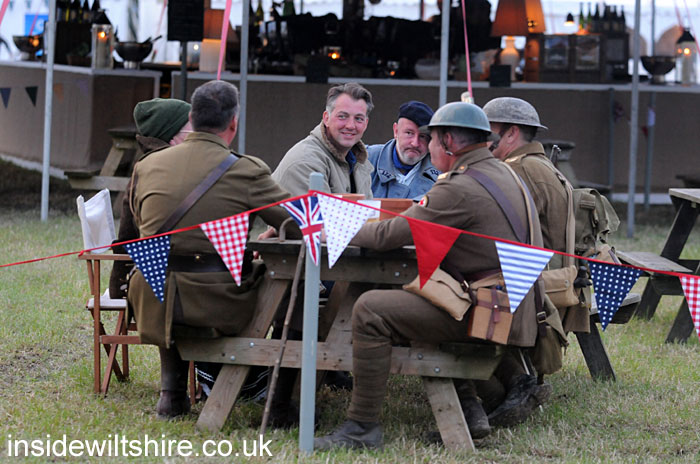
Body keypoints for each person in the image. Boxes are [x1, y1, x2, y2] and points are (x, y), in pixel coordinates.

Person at [315, 102, 545, 449]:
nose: (428, 146)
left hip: (494, 314)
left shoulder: (459, 186)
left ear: (448, 141)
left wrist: (331, 230)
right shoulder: (502, 172)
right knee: (423, 294)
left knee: (371, 309)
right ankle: (478, 404)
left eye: (431, 139)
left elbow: (386, 236)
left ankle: (361, 427)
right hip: (515, 307)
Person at [127, 80, 298, 419]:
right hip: (217, 304)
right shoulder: (247, 170)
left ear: (192, 117)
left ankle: (171, 394)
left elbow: (140, 224)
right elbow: (296, 225)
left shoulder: (147, 166)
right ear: (233, 123)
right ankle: (279, 403)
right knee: (297, 287)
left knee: (165, 267)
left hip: (150, 301)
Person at [478, 96, 571, 428]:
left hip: (533, 284)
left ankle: (498, 387)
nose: (481, 140)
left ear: (511, 133)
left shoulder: (518, 170)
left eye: (487, 132)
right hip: (548, 275)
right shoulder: (538, 165)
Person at [109, 98, 192, 299]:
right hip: (164, 285)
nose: (198, 135)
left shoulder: (144, 169)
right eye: (192, 130)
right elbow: (127, 239)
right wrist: (120, 284)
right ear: (173, 137)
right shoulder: (159, 173)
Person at [272, 82, 374, 197]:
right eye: (342, 116)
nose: (350, 125)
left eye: (358, 119)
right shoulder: (305, 162)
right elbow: (317, 209)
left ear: (366, 123)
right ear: (326, 118)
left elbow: (368, 208)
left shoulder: (360, 163)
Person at [366, 100, 439, 200]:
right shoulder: (365, 160)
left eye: (422, 136)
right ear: (396, 131)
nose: (415, 143)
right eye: (409, 133)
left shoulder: (441, 174)